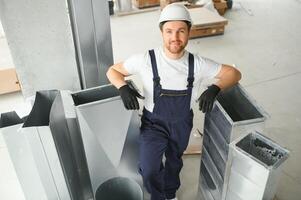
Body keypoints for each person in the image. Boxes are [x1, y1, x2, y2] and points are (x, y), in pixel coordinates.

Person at [106, 3, 241, 200]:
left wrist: (215, 88)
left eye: (181, 31)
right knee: (149, 167)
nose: (175, 38)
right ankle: (158, 194)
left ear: (189, 32)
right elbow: (112, 71)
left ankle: (169, 194)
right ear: (161, 32)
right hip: (153, 123)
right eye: (169, 31)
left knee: (174, 161)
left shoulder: (198, 64)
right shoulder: (146, 60)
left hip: (182, 123)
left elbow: (234, 73)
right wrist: (122, 87)